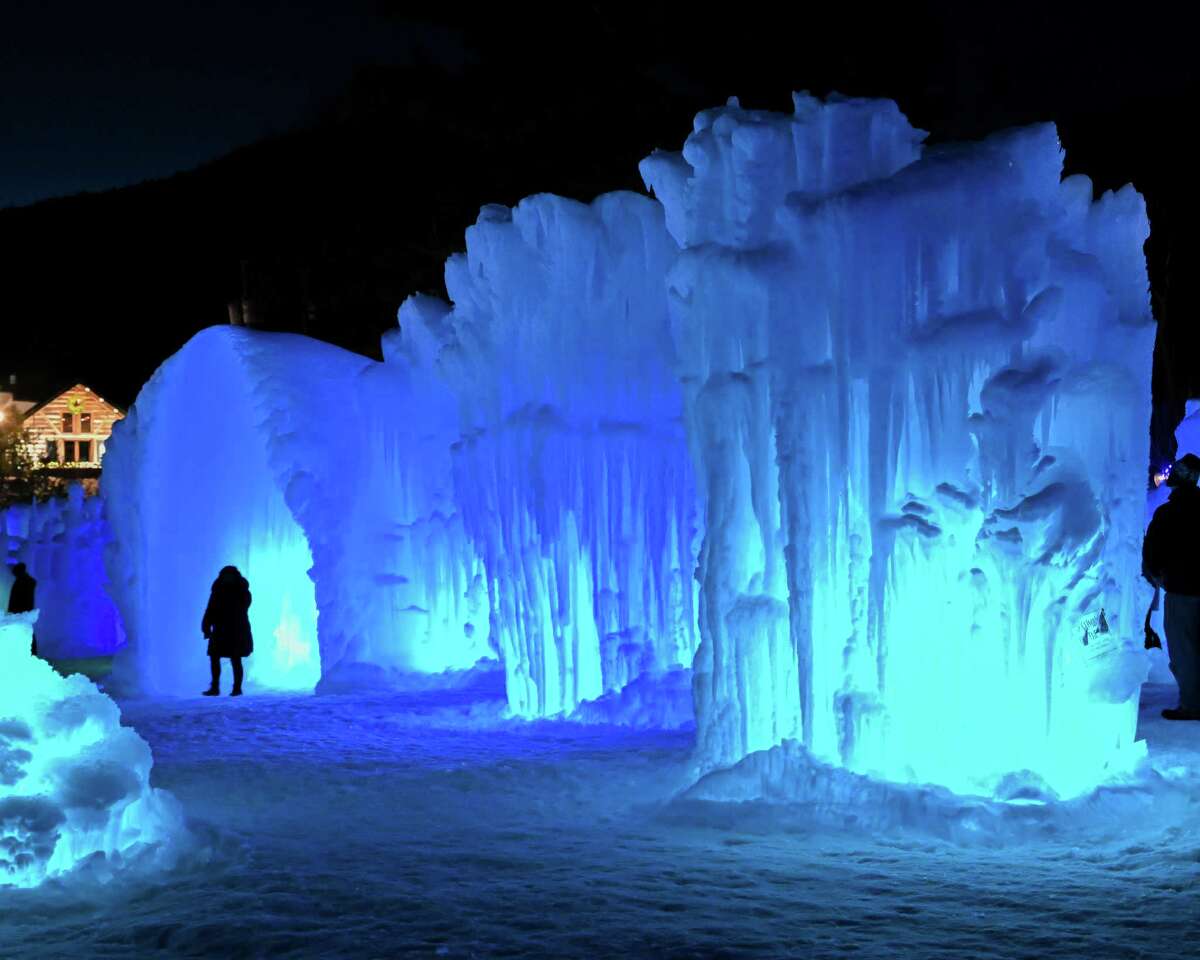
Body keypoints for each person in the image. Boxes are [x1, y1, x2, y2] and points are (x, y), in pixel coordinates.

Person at [1143, 452, 1200, 720]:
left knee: (1184, 649)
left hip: (1181, 591)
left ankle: (1191, 704)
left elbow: (1153, 549)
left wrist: (1154, 574)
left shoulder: (1167, 514)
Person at [201, 565, 253, 697]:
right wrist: (206, 626)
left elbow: (242, 608)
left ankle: (236, 688)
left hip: (236, 630)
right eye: (225, 576)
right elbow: (210, 609)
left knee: (235, 658)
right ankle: (215, 687)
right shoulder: (218, 591)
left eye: (229, 576)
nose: (227, 578)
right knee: (215, 657)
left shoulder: (242, 591)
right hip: (221, 629)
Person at [7, 562, 38, 656]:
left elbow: (17, 597)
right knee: (25, 630)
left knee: (25, 629)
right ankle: (29, 651)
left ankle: (31, 652)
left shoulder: (24, 581)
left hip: (22, 610)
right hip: (22, 611)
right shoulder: (24, 580)